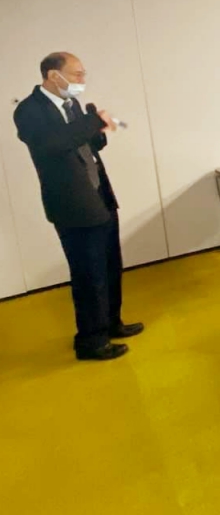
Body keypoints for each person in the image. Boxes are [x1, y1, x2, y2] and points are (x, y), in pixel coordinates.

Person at [13, 52, 143, 361]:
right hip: (72, 204)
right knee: (88, 273)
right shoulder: (29, 110)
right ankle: (91, 341)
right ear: (52, 75)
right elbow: (52, 144)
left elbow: (88, 145)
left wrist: (98, 131)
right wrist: (91, 122)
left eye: (83, 74)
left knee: (110, 265)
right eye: (76, 74)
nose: (82, 80)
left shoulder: (72, 106)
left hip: (99, 195)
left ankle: (111, 323)